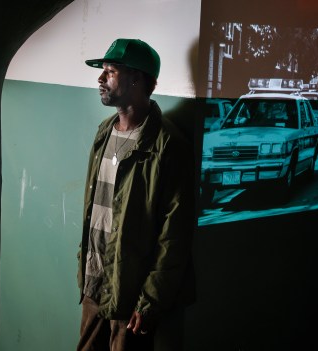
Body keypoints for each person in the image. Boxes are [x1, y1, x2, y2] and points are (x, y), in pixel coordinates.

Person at [76, 38, 196, 351]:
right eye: (102, 72)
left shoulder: (167, 145)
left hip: (132, 298)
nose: (101, 80)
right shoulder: (104, 131)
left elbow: (175, 235)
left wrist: (149, 301)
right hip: (94, 284)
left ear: (136, 79)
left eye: (110, 72)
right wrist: (85, 264)